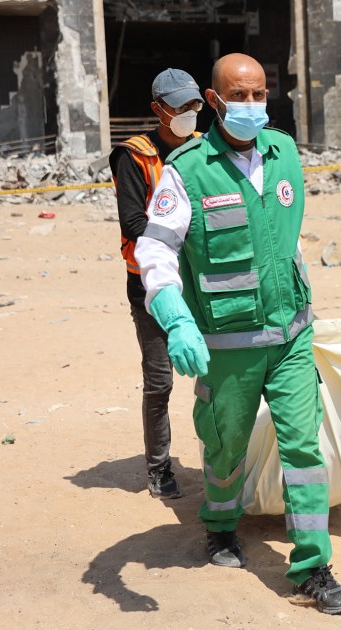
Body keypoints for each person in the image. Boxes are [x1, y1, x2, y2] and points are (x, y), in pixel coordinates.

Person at [133, 53, 341, 615]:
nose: (253, 106)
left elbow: (286, 238)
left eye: (260, 95)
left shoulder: (284, 154)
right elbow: (154, 249)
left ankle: (313, 566)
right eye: (240, 96)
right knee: (225, 445)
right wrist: (176, 317)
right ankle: (221, 525)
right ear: (214, 102)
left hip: (290, 337)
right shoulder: (187, 170)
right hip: (226, 346)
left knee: (304, 445)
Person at [110, 68, 204, 500]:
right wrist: (176, 237)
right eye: (181, 107)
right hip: (149, 283)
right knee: (160, 379)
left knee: (219, 373)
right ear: (158, 110)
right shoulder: (134, 156)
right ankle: (159, 467)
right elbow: (132, 221)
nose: (190, 114)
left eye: (195, 105)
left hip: (201, 281)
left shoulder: (202, 149)